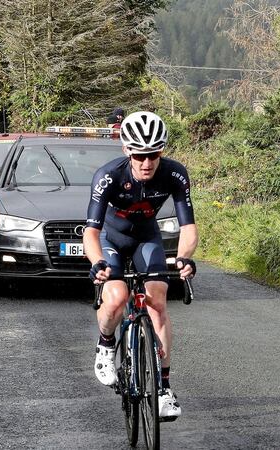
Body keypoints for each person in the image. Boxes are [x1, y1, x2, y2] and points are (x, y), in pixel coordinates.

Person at [83, 111, 198, 420]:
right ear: (127, 151)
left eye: (154, 154)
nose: (147, 162)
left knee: (158, 299)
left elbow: (188, 227)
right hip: (112, 239)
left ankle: (163, 388)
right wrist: (97, 263)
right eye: (140, 155)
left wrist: (185, 257)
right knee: (117, 298)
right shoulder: (108, 176)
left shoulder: (175, 174)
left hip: (147, 237)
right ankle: (106, 344)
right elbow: (90, 233)